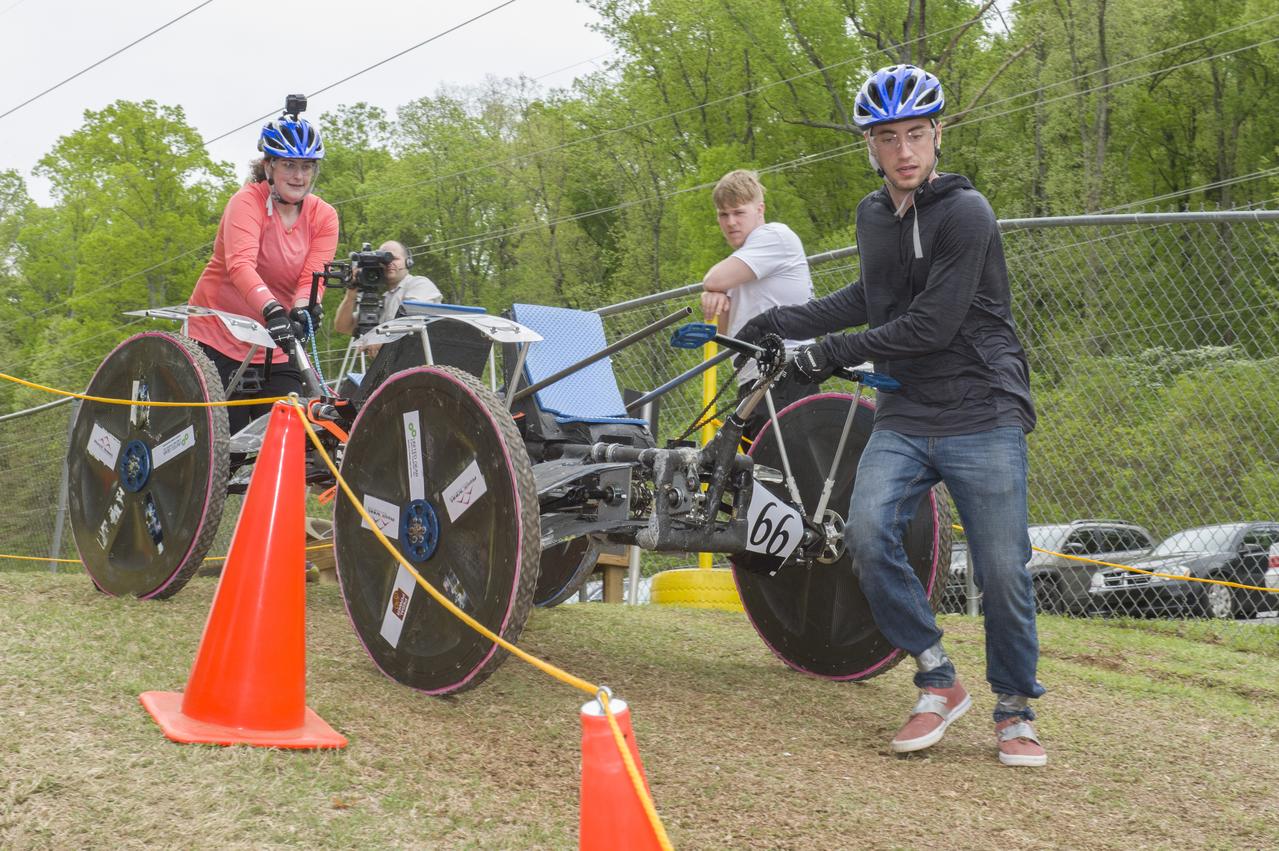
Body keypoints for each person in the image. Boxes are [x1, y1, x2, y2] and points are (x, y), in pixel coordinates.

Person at [736, 65, 1047, 766]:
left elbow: (932, 322)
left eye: (915, 133)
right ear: (869, 146)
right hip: (905, 406)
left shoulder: (967, 214)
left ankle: (1014, 706)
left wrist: (822, 353)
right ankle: (937, 677)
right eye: (887, 138)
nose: (903, 150)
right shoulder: (873, 216)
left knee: (1001, 568)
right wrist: (781, 321)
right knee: (867, 533)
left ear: (937, 134)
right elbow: (870, 297)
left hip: (981, 405)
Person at [187, 102, 337, 437]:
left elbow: (313, 277)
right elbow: (240, 264)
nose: (298, 176)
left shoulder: (324, 216)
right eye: (288, 165)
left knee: (294, 431)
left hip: (274, 341)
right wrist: (272, 310)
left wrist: (301, 311)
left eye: (307, 166)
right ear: (269, 165)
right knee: (227, 440)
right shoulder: (246, 202)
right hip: (220, 335)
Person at [699, 169, 816, 439]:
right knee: (759, 473)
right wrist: (719, 296)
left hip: (785, 375)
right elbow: (725, 337)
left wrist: (716, 286)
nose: (730, 222)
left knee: (786, 471)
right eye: (723, 215)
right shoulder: (746, 261)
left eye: (738, 213)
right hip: (755, 380)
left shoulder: (774, 236)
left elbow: (712, 278)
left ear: (760, 209)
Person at [332, 240, 442, 338]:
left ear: (408, 262)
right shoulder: (382, 301)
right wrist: (351, 291)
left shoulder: (419, 284)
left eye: (394, 258)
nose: (389, 263)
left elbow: (412, 320)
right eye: (384, 260)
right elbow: (343, 327)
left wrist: (383, 342)